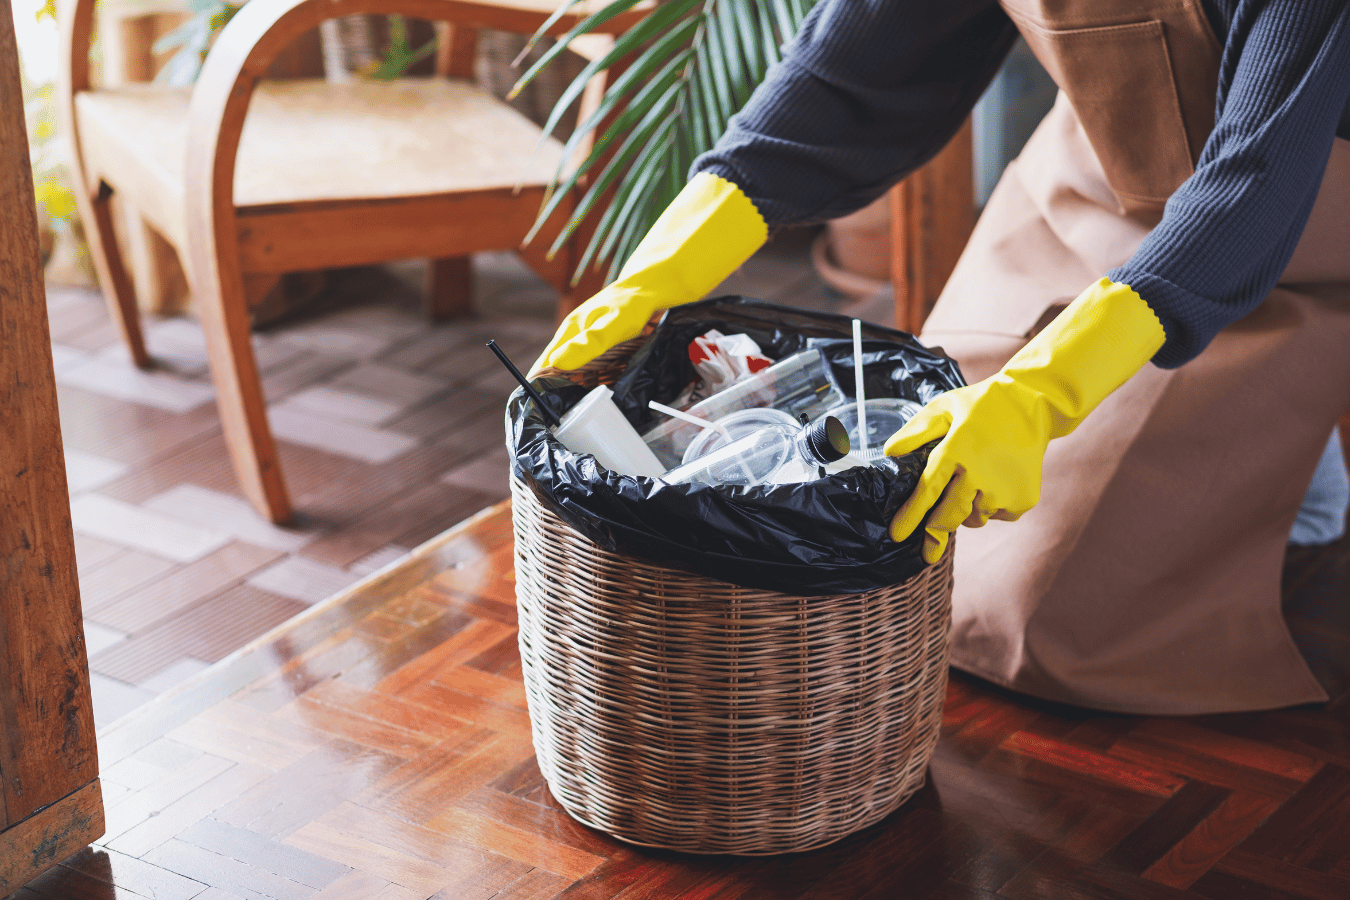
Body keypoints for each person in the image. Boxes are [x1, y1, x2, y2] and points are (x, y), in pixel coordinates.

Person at [533, 0, 1350, 714]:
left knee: (1038, 620)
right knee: (921, 482)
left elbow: (1256, 186)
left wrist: (1037, 397)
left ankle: (1287, 466)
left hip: (1284, 211)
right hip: (1104, 163)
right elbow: (846, 73)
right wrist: (656, 275)